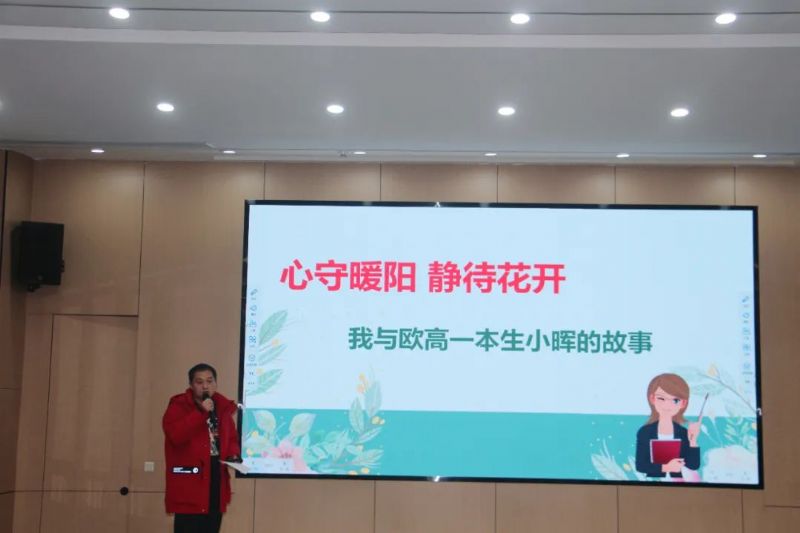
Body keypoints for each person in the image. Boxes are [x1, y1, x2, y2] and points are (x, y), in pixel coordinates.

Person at [163, 363, 241, 533]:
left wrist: (233, 454)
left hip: (216, 477)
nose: (205, 386)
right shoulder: (179, 405)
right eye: (199, 382)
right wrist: (201, 412)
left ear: (216, 383)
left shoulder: (222, 407)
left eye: (209, 381)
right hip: (191, 482)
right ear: (191, 385)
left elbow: (231, 438)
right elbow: (175, 435)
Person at [635, 373, 701, 480]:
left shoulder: (684, 433)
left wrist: (693, 441)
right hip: (651, 483)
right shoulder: (645, 432)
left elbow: (693, 465)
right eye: (661, 398)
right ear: (652, 399)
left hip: (679, 484)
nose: (667, 405)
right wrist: (666, 467)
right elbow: (641, 465)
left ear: (683, 403)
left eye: (675, 400)